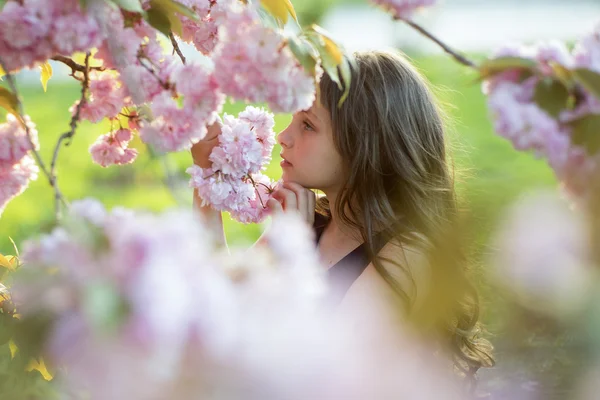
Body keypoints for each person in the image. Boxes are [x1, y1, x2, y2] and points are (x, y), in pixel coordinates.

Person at [191, 49, 494, 388]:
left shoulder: (407, 256)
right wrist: (209, 179)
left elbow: (322, 376)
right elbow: (217, 308)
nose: (283, 137)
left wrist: (289, 252)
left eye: (307, 125)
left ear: (364, 143)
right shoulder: (312, 226)